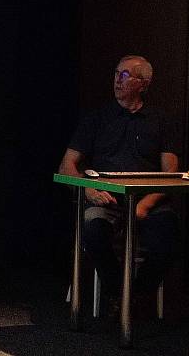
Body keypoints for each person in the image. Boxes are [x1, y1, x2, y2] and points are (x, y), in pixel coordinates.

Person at [58, 54, 181, 310]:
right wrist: (88, 189)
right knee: (93, 229)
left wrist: (146, 204)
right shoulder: (97, 118)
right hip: (107, 198)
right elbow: (66, 165)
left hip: (148, 200)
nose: (117, 80)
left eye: (125, 75)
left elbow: (171, 171)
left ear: (144, 83)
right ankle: (118, 294)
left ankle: (137, 295)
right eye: (116, 73)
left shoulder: (160, 120)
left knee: (169, 235)